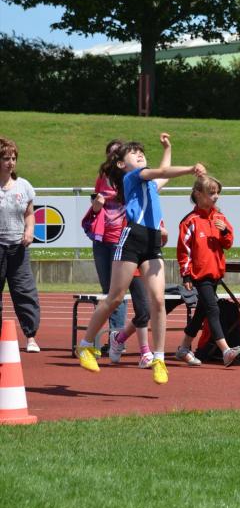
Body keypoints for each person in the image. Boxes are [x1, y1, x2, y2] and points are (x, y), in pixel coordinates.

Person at [76, 133, 206, 384]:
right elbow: (162, 171)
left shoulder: (150, 184)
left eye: (142, 152)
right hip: (132, 239)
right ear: (122, 164)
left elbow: (164, 172)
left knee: (158, 299)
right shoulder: (132, 177)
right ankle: (85, 345)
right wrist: (191, 169)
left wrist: (167, 148)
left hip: (152, 242)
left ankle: (159, 358)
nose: (139, 155)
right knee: (115, 297)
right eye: (133, 153)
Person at [87, 139, 156, 368]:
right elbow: (95, 209)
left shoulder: (135, 178)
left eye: (119, 152)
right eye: (112, 153)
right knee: (112, 296)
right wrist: (97, 205)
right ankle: (101, 340)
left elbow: (150, 205)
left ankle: (129, 344)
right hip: (107, 242)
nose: (115, 155)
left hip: (131, 243)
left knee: (143, 303)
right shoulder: (108, 178)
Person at [176, 175, 240, 367]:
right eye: (211, 193)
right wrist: (186, 274)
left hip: (215, 272)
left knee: (201, 312)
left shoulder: (220, 218)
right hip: (200, 274)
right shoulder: (190, 221)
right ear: (198, 194)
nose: (216, 196)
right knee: (213, 309)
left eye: (217, 193)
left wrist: (224, 231)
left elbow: (228, 243)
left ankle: (184, 348)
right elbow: (184, 250)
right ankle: (226, 350)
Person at [0, 137, 41, 352]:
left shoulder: (24, 186)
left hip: (18, 248)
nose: (11, 163)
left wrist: (29, 231)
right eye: (6, 158)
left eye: (14, 158)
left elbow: (29, 213)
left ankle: (31, 337)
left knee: (24, 292)